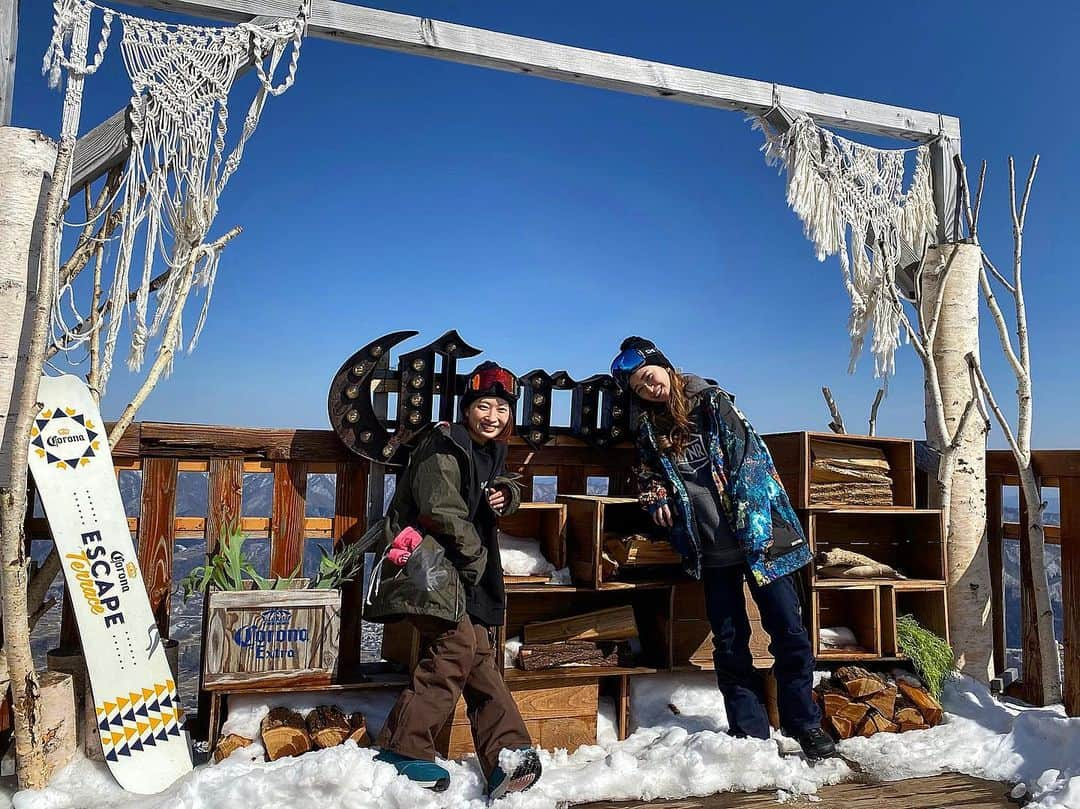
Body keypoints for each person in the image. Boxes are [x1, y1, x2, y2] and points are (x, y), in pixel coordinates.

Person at [610, 337, 836, 760]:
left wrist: (753, 529)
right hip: (710, 547)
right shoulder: (648, 429)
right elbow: (646, 472)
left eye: (648, 377)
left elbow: (751, 460)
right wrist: (656, 495)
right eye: (638, 388)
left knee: (789, 633)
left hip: (764, 538)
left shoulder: (712, 402)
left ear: (665, 367)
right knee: (730, 642)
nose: (648, 388)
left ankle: (804, 724)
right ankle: (750, 734)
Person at [367, 361, 543, 797]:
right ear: (467, 408)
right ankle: (402, 749)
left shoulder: (487, 450)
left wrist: (510, 494)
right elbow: (440, 511)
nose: (492, 416)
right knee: (457, 645)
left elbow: (496, 484)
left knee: (479, 653)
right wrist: (478, 560)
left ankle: (509, 755)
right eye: (483, 406)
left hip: (457, 570)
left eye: (501, 409)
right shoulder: (443, 446)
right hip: (427, 567)